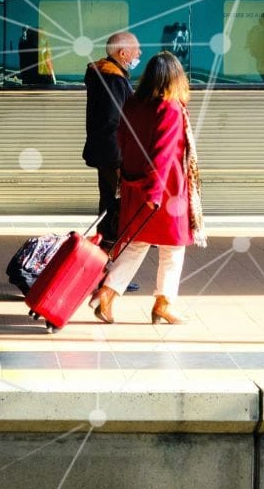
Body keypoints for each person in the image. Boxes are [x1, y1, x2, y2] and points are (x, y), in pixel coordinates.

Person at [92, 51, 206, 325]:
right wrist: (154, 193)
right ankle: (163, 304)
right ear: (176, 77)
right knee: (173, 249)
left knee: (136, 243)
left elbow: (122, 140)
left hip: (135, 185)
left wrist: (132, 181)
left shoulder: (133, 103)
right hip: (165, 192)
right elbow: (163, 153)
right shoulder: (170, 108)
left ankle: (106, 294)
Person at [83, 30, 140, 250]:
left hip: (107, 153)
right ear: (123, 52)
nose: (139, 53)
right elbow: (113, 121)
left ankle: (104, 263)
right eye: (136, 50)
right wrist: (121, 158)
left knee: (109, 204)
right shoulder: (113, 79)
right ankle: (110, 266)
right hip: (114, 155)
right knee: (115, 208)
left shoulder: (108, 75)